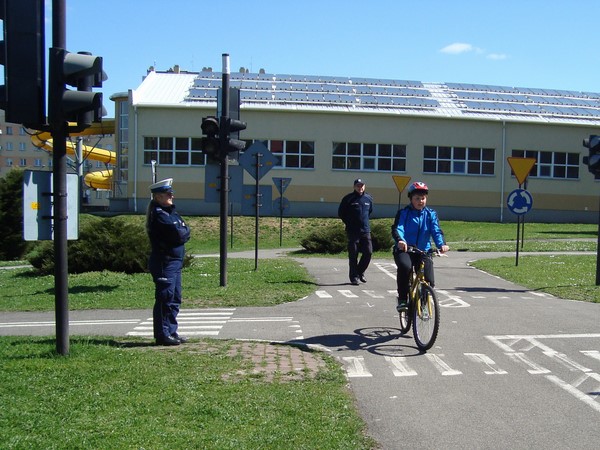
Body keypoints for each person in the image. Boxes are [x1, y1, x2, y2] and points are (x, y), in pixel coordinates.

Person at [146, 178, 191, 346]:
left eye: (171, 193)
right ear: (158, 197)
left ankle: (171, 330)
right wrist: (183, 233)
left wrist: (183, 232)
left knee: (175, 298)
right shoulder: (159, 215)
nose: (171, 196)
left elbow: (185, 231)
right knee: (165, 297)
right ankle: (162, 334)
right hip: (165, 262)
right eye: (167, 194)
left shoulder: (171, 213)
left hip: (175, 261)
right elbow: (180, 234)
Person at [392, 181, 449, 310]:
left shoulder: (430, 214)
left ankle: (423, 304)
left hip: (423, 250)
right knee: (405, 268)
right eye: (417, 198)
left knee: (429, 280)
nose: (420, 201)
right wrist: (401, 241)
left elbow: (436, 230)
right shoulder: (404, 213)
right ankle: (402, 299)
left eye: (423, 198)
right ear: (411, 199)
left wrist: (442, 245)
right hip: (405, 249)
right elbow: (398, 228)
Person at [338, 178, 373, 285]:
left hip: (365, 230)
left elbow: (370, 212)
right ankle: (354, 277)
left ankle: (360, 272)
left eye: (362, 185)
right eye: (358, 185)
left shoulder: (368, 199)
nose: (360, 187)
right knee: (353, 254)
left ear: (364, 186)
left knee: (368, 252)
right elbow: (341, 213)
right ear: (354, 187)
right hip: (353, 231)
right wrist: (349, 223)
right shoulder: (348, 199)